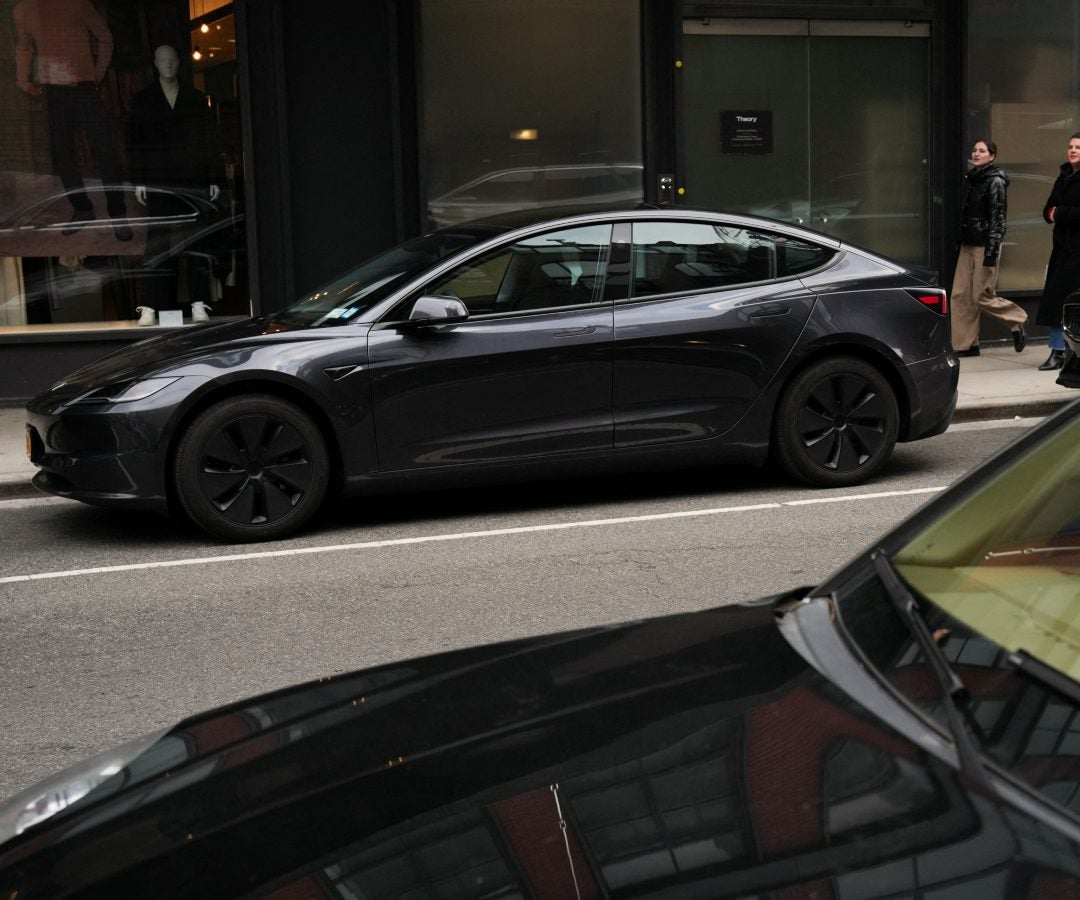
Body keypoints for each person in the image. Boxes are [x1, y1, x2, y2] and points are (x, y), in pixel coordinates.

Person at [13, 0, 131, 240]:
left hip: (84, 89)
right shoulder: (22, 10)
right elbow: (24, 47)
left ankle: (118, 212)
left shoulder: (77, 3)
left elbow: (105, 38)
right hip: (53, 93)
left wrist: (95, 75)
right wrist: (23, 79)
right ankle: (82, 209)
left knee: (105, 150)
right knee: (63, 155)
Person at [128, 44, 223, 324]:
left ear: (178, 63)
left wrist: (213, 178)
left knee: (196, 241)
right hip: (158, 180)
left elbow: (209, 141)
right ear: (155, 63)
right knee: (158, 243)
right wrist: (139, 181)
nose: (168, 64)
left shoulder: (195, 98)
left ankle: (199, 302)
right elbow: (136, 143)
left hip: (192, 179)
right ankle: (150, 306)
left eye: (172, 59)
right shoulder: (144, 100)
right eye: (163, 60)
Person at [950, 139, 1026, 357]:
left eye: (982, 151)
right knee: (960, 295)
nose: (976, 154)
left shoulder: (996, 181)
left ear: (992, 156)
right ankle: (966, 344)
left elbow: (998, 218)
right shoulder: (972, 178)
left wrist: (991, 251)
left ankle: (1017, 320)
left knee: (981, 296)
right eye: (974, 150)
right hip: (968, 243)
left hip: (985, 245)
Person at [1037, 132, 1080, 371]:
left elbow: (1060, 211)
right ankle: (1057, 351)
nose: (1073, 150)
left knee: (1073, 303)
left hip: (1078, 251)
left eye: (1078, 147)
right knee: (1056, 301)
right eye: (1070, 146)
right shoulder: (1063, 175)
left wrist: (1059, 213)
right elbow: (1047, 208)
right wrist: (1053, 213)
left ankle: (1070, 352)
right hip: (1062, 250)